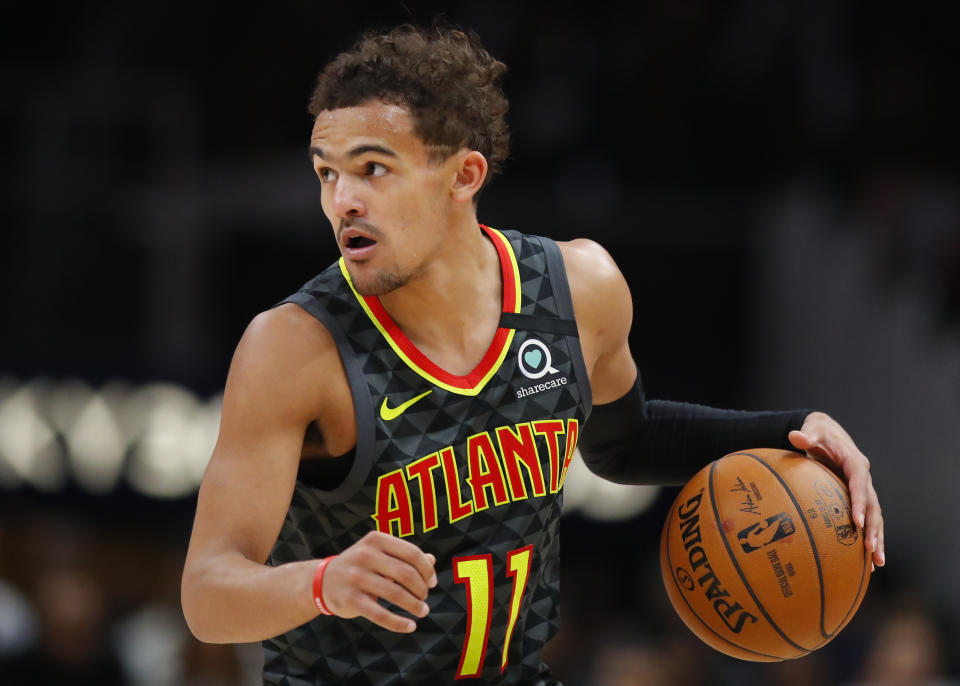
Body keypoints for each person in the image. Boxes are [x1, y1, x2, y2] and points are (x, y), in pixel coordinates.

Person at [180, 23, 885, 685]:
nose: (344, 201)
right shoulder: (295, 347)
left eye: (373, 169)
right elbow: (208, 592)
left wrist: (790, 430)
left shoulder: (579, 290)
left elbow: (623, 442)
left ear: (464, 176)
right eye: (327, 173)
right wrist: (321, 583)